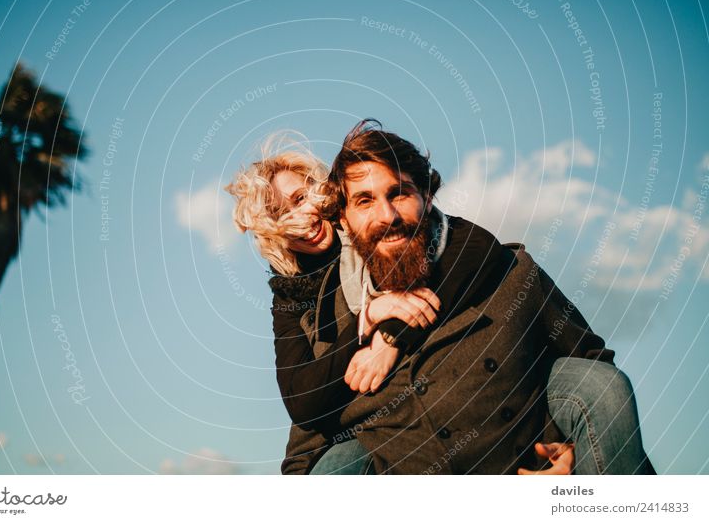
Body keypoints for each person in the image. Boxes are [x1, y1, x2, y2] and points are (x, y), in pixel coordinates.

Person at [225, 126, 654, 475]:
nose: (387, 215)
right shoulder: (310, 315)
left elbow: (587, 356)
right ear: (345, 215)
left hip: (524, 465)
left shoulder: (482, 257)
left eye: (302, 198)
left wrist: (574, 462)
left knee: (597, 384)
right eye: (365, 201)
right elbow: (305, 414)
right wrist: (367, 319)